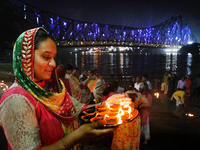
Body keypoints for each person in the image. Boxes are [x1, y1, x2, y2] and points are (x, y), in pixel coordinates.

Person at [0, 27, 114, 150]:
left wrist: (109, 104)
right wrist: (77, 136)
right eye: (46, 57)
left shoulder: (52, 87)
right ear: (26, 58)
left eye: (54, 57)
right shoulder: (16, 100)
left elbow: (76, 108)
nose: (53, 63)